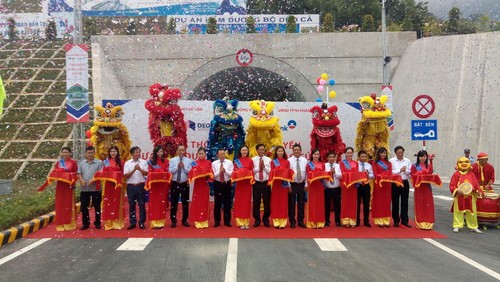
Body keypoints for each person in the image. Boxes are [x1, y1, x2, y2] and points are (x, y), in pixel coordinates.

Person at [39, 147, 78, 231]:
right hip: (60, 186)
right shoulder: (59, 163)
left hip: (69, 186)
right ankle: (61, 224)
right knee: (60, 204)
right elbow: (55, 172)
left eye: (66, 152)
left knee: (68, 204)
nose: (65, 154)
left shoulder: (73, 162)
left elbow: (75, 174)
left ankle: (69, 224)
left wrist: (69, 177)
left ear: (70, 153)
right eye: (63, 152)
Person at [449, 157, 483, 233]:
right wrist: (457, 190)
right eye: (461, 162)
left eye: (466, 162)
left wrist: (478, 190)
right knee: (458, 211)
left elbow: (476, 185)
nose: (464, 164)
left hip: (470, 196)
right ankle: (457, 225)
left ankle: (473, 226)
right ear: (458, 164)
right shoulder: (456, 174)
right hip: (460, 196)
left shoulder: (471, 174)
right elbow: (452, 185)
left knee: (472, 212)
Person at [411, 150, 439, 230]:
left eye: (424, 156)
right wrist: (418, 177)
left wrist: (431, 161)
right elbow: (412, 177)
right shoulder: (414, 166)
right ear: (418, 157)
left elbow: (430, 175)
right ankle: (420, 222)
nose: (423, 158)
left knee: (428, 204)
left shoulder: (428, 166)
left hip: (427, 187)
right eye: (421, 156)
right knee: (419, 204)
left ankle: (428, 222)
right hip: (419, 188)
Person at [98, 146, 124, 230]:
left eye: (115, 151)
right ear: (109, 153)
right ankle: (108, 224)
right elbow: (102, 172)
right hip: (108, 185)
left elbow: (123, 173)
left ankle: (117, 223)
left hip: (117, 185)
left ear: (117, 152)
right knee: (108, 203)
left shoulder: (121, 161)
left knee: (117, 202)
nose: (113, 153)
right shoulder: (105, 162)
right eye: (111, 151)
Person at [77, 146, 103, 230]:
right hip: (84, 188)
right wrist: (81, 180)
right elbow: (79, 173)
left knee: (97, 206)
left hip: (96, 188)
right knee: (84, 207)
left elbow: (100, 174)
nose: (90, 154)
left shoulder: (99, 162)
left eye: (92, 152)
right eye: (89, 153)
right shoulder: (82, 163)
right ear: (86, 153)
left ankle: (97, 223)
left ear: (94, 153)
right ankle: (85, 223)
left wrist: (92, 180)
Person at [371, 147, 397, 228]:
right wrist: (382, 176)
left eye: (384, 153)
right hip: (379, 184)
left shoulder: (389, 163)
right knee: (379, 202)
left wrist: (386, 176)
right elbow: (375, 174)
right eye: (381, 153)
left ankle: (386, 220)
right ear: (379, 153)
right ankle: (379, 220)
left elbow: (390, 172)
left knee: (386, 202)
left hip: (387, 184)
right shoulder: (375, 163)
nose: (383, 154)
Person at [124, 146, 148, 229]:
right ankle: (132, 222)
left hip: (140, 186)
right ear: (132, 154)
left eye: (139, 152)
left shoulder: (143, 162)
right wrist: (134, 170)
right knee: (131, 205)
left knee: (141, 204)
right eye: (136, 152)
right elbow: (126, 175)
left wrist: (140, 169)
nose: (138, 154)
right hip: (130, 186)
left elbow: (146, 173)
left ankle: (142, 222)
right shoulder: (127, 163)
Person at [168, 144, 192, 228]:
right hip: (175, 183)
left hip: (184, 183)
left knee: (185, 203)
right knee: (174, 203)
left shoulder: (188, 161)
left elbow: (190, 172)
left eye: (183, 150)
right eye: (180, 150)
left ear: (185, 151)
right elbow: (170, 171)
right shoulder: (172, 160)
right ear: (177, 151)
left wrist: (184, 168)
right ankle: (173, 220)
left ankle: (184, 220)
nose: (181, 152)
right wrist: (177, 167)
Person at [146, 146, 170, 229]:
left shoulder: (166, 161)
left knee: (161, 204)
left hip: (162, 186)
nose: (160, 153)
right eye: (158, 151)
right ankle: (154, 222)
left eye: (161, 151)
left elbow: (167, 173)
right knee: (154, 204)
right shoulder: (151, 162)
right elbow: (149, 173)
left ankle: (161, 222)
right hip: (154, 187)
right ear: (155, 152)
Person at [189, 147, 213, 229]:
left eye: (202, 153)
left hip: (205, 185)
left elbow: (210, 172)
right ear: (197, 154)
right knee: (197, 203)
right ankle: (198, 221)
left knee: (204, 202)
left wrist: (205, 173)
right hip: (198, 185)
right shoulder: (194, 163)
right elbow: (191, 172)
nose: (201, 155)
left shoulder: (208, 162)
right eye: (200, 153)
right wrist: (197, 172)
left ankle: (204, 221)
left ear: (205, 154)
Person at [339, 147, 363, 228]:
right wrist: (350, 174)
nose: (349, 154)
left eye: (351, 153)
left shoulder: (356, 163)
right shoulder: (342, 163)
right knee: (345, 202)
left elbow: (357, 173)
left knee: (353, 203)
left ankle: (352, 220)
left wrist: (353, 175)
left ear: (353, 153)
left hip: (353, 185)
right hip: (345, 185)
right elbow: (343, 173)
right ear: (345, 154)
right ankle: (345, 221)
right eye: (348, 153)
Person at [270, 146, 292, 229]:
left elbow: (288, 174)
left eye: (281, 151)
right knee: (275, 202)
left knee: (283, 202)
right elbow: (271, 172)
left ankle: (283, 222)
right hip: (275, 184)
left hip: (284, 184)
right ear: (276, 152)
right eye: (278, 151)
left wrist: (289, 185)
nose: (280, 152)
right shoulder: (273, 162)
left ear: (284, 152)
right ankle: (276, 221)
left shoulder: (287, 162)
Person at [389, 145, 412, 228]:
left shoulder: (407, 161)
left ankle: (405, 220)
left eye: (401, 152)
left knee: (405, 202)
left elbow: (410, 172)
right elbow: (390, 172)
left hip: (404, 182)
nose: (400, 154)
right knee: (395, 202)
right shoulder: (391, 161)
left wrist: (405, 170)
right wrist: (399, 170)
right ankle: (396, 220)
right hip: (395, 183)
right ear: (395, 153)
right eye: (398, 153)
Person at [232, 145, 254, 229]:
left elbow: (252, 172)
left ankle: (246, 222)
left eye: (245, 150)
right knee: (239, 203)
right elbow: (234, 172)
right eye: (243, 150)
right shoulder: (237, 161)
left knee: (246, 203)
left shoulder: (250, 161)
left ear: (247, 151)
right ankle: (240, 222)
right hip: (240, 185)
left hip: (247, 185)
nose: (244, 152)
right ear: (240, 151)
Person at [212, 148, 234, 227]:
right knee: (217, 203)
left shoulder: (229, 162)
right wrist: (219, 172)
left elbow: (232, 174)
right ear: (217, 155)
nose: (222, 156)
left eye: (223, 154)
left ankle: (227, 221)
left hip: (226, 184)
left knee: (227, 203)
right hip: (217, 184)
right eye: (220, 154)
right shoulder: (214, 163)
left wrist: (225, 171)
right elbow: (213, 175)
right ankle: (217, 221)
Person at [306, 149, 327, 228]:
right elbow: (308, 175)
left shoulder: (322, 164)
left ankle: (320, 222)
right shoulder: (309, 165)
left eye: (317, 154)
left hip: (320, 186)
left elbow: (324, 175)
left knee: (320, 204)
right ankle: (312, 222)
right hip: (312, 186)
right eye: (315, 154)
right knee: (312, 204)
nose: (316, 156)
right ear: (312, 155)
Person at [288, 143, 308, 228]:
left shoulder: (305, 160)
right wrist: (288, 185)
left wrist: (306, 184)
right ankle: (292, 221)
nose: (296, 151)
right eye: (295, 150)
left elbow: (307, 173)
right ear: (292, 151)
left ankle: (300, 221)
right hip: (292, 184)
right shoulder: (289, 160)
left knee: (301, 204)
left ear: (300, 151)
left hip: (302, 184)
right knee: (291, 204)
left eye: (298, 150)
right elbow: (287, 174)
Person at [252, 144, 272, 227]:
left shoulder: (269, 160)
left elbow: (271, 172)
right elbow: (251, 171)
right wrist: (258, 168)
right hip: (256, 183)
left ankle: (265, 219)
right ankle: (257, 220)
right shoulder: (253, 160)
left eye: (263, 149)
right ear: (257, 150)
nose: (262, 151)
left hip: (266, 183)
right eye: (260, 150)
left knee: (267, 202)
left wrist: (264, 167)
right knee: (256, 202)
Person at [324, 151, 342, 227]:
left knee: (337, 206)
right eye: (330, 157)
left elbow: (341, 176)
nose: (331, 158)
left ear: (335, 158)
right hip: (327, 188)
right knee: (326, 205)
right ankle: (327, 221)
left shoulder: (338, 166)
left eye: (333, 157)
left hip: (336, 188)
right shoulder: (324, 165)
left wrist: (335, 173)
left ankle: (337, 221)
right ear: (327, 158)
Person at [356, 150, 374, 227]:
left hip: (366, 185)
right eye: (362, 156)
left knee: (366, 204)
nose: (363, 158)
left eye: (365, 156)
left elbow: (373, 175)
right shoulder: (355, 164)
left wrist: (368, 175)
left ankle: (366, 220)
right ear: (359, 157)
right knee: (357, 204)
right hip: (358, 185)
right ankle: (357, 220)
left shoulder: (368, 165)